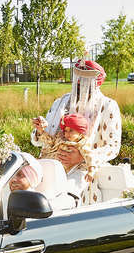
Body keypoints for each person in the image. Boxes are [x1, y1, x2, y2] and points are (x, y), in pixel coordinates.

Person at [31, 59, 122, 205]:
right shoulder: (61, 102)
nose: (80, 87)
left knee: (61, 203)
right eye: (78, 82)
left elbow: (113, 147)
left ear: (95, 84)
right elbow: (43, 139)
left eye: (85, 84)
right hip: (49, 167)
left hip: (81, 173)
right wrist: (39, 130)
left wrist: (81, 157)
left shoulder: (108, 106)